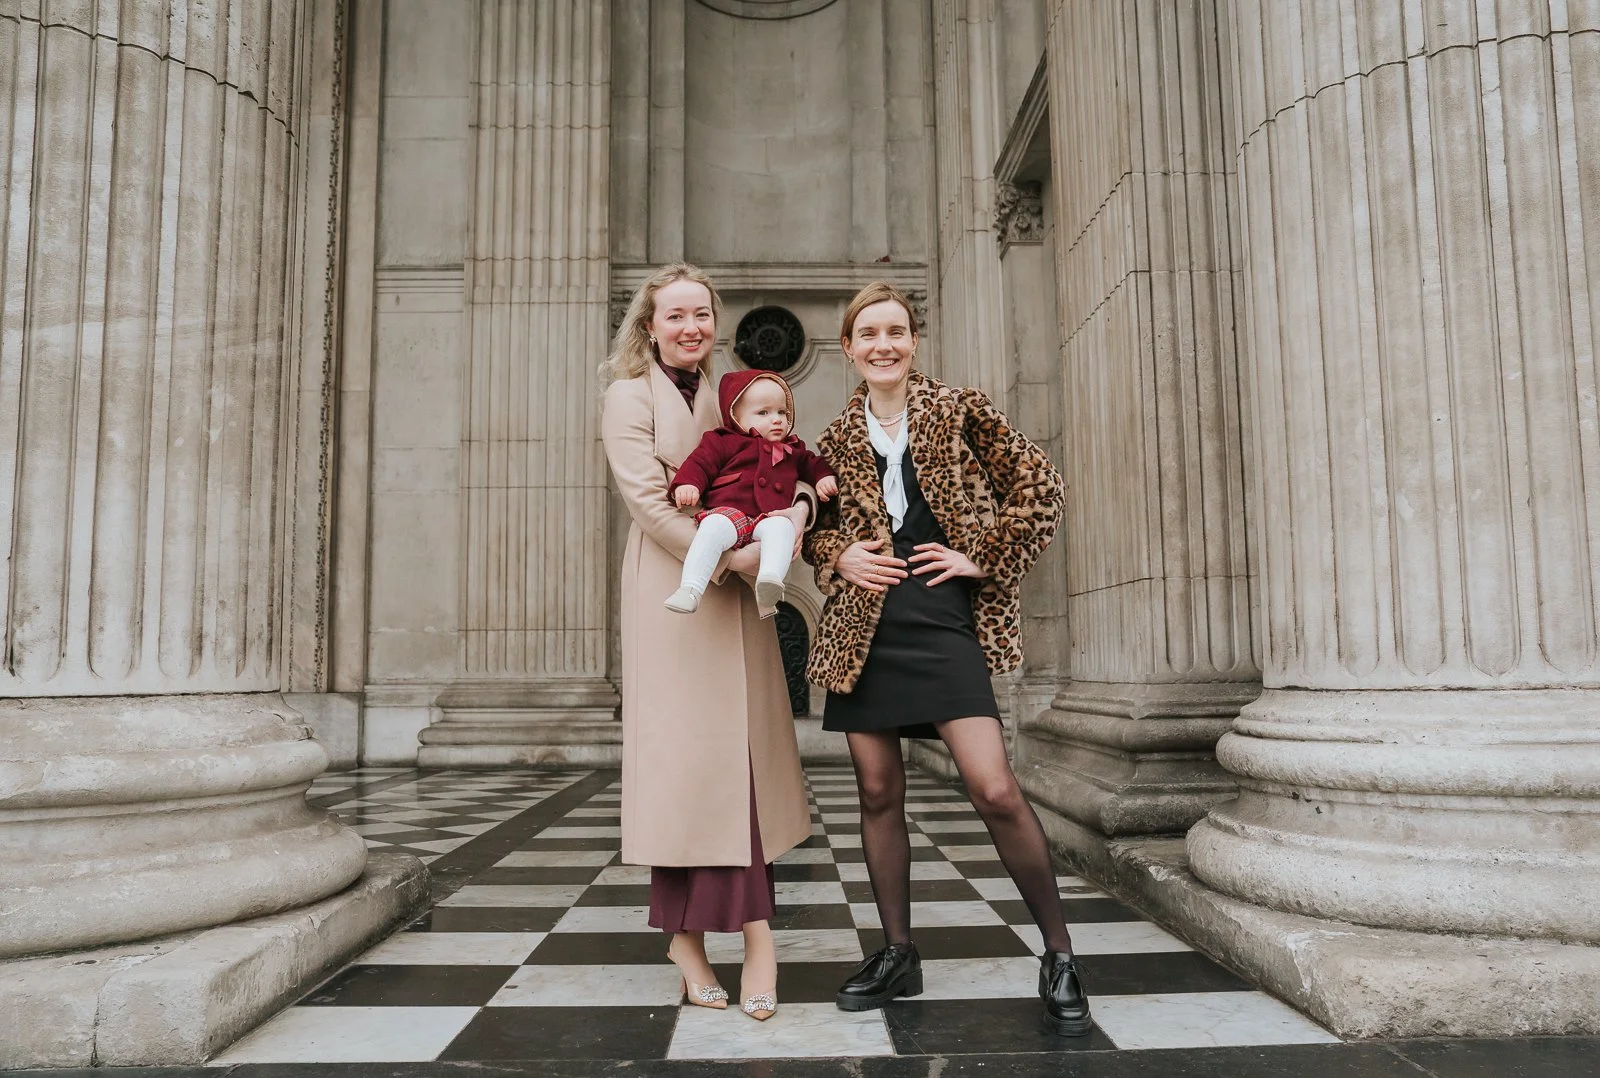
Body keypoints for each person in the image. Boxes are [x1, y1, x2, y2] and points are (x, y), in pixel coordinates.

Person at [802, 281, 1092, 1036]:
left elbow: (1041, 488)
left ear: (914, 341)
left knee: (993, 787)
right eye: (868, 334)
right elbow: (809, 532)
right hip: (863, 627)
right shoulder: (831, 439)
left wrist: (981, 555)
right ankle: (898, 949)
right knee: (874, 793)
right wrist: (841, 558)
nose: (884, 345)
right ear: (848, 347)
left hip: (941, 619)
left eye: (896, 331)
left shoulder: (961, 407)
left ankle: (1058, 952)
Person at [600, 263, 813, 1020]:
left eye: (701, 314)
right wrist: (732, 557)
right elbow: (649, 503)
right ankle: (701, 941)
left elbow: (794, 474)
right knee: (683, 778)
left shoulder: (735, 394)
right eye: (674, 316)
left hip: (746, 600)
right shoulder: (628, 396)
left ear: (713, 321)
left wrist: (796, 523)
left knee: (742, 773)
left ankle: (742, 938)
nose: (690, 327)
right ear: (649, 325)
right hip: (678, 601)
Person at [667, 369, 838, 614]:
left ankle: (770, 580)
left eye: (782, 412)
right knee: (712, 528)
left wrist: (823, 478)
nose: (777, 419)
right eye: (763, 413)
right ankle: (691, 588)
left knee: (783, 528)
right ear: (736, 416)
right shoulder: (723, 440)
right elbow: (700, 463)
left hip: (767, 518)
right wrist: (688, 484)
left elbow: (814, 464)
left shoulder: (793, 449)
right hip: (730, 514)